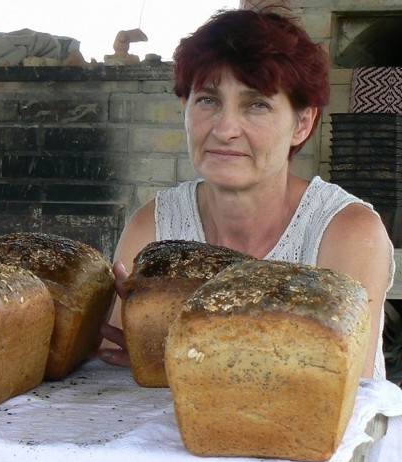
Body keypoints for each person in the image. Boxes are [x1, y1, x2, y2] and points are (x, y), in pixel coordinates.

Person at [98, 8, 394, 383]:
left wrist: (174, 352)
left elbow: (339, 382)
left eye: (257, 105)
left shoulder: (348, 232)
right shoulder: (154, 224)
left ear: (302, 123)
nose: (225, 129)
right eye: (207, 100)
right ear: (184, 110)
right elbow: (115, 364)